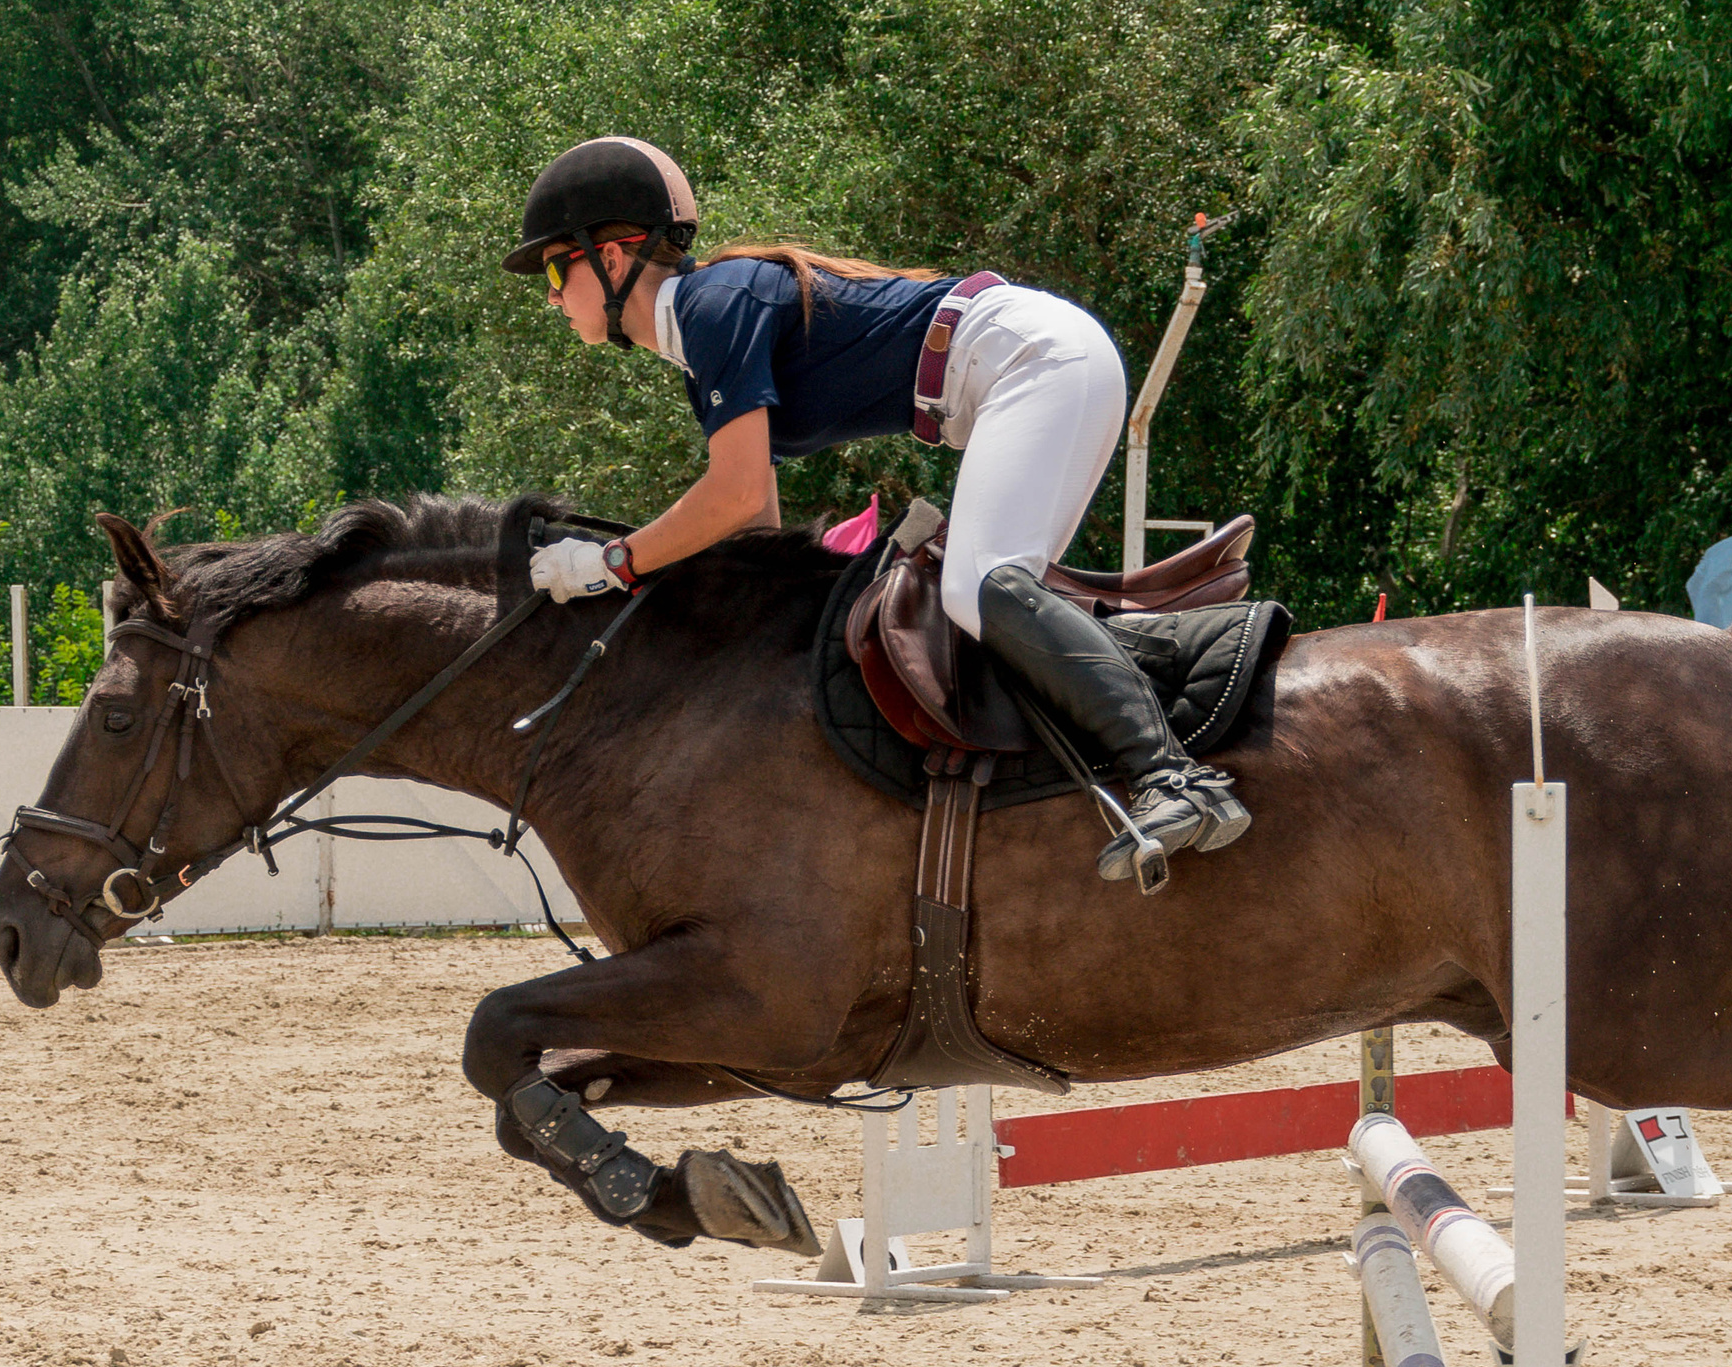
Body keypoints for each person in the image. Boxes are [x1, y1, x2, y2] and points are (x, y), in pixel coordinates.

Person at [503, 135, 1248, 883]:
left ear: (612, 255)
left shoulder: (709, 304)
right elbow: (756, 522)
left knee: (977, 586)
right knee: (1006, 619)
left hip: (1031, 361)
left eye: (555, 268)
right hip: (1035, 363)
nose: (550, 295)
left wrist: (613, 562)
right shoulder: (703, 331)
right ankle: (1184, 676)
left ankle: (1177, 780)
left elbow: (729, 496)